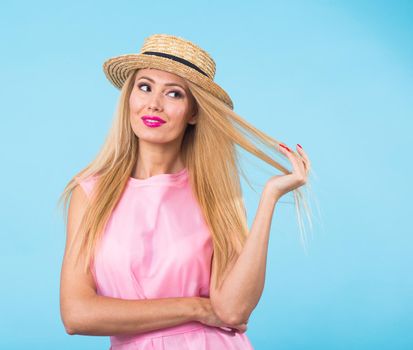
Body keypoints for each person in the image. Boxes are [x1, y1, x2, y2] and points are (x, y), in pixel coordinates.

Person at [59, 33, 312, 349]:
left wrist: (270, 198)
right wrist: (196, 308)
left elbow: (233, 310)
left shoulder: (216, 194)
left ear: (194, 112)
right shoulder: (90, 193)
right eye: (145, 86)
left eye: (174, 94)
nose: (154, 103)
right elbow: (76, 314)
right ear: (129, 97)